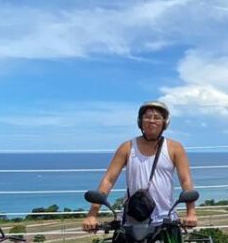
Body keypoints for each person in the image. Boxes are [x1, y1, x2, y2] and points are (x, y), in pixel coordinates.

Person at [82, 100, 198, 234]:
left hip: (166, 218)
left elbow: (186, 181)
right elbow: (108, 180)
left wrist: (191, 213)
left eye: (157, 118)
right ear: (140, 121)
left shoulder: (175, 148)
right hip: (132, 219)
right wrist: (92, 214)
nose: (152, 121)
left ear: (164, 122)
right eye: (147, 117)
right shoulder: (127, 147)